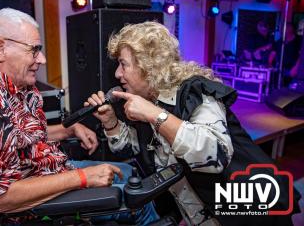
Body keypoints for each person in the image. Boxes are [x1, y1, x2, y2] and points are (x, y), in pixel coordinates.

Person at [0, 8, 159, 224]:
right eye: (34, 50)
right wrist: (82, 178)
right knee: (138, 199)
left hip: (52, 169)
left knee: (131, 171)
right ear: (0, 49)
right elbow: (0, 198)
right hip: (34, 202)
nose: (42, 59)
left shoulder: (13, 86)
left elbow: (18, 136)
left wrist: (68, 129)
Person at [85, 21, 300, 226]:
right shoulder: (148, 100)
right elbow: (134, 148)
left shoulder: (197, 93)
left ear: (149, 66)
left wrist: (156, 116)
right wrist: (111, 122)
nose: (117, 73)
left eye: (123, 64)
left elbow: (216, 156)